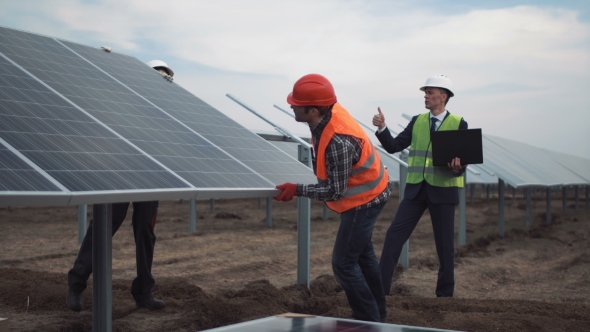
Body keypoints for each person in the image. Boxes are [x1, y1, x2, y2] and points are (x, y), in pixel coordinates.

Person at [274, 74, 392, 322]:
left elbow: (335, 191)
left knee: (344, 264)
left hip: (364, 200)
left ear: (314, 110)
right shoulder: (327, 113)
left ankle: (368, 322)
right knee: (363, 255)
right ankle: (378, 316)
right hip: (373, 190)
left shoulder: (338, 140)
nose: (291, 105)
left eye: (296, 103)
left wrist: (297, 189)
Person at [65, 60, 175, 312]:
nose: (160, 79)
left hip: (150, 175)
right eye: (157, 75)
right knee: (103, 228)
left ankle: (144, 292)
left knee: (146, 232)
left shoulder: (165, 112)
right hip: (119, 171)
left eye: (164, 77)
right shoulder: (123, 102)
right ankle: (76, 285)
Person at [373, 74, 467, 298]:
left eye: (430, 92)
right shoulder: (418, 121)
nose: (425, 96)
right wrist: (382, 128)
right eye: (425, 92)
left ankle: (444, 296)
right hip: (416, 190)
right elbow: (394, 146)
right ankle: (379, 291)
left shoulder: (458, 123)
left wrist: (457, 167)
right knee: (394, 236)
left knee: (445, 248)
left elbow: (462, 163)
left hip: (443, 191)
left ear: (443, 96)